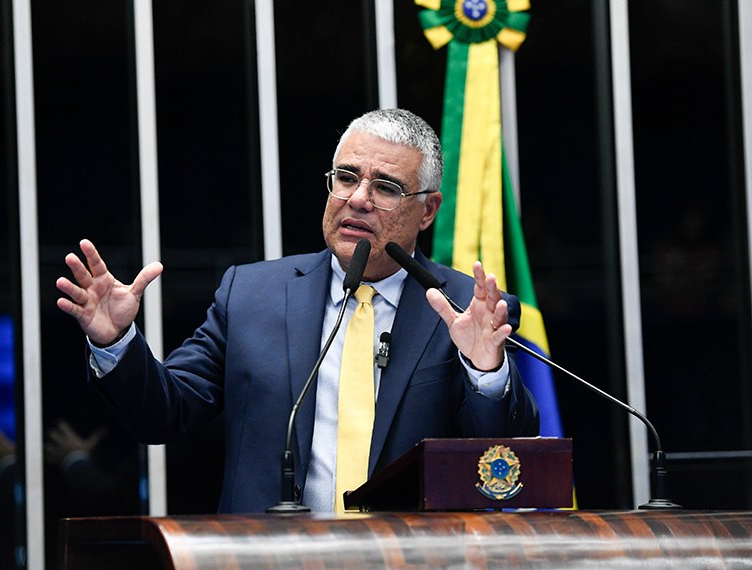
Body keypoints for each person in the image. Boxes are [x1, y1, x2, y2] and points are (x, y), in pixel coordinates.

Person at [56, 108, 539, 513]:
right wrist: (115, 341)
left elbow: (502, 461)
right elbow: (162, 413)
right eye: (346, 178)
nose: (357, 199)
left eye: (386, 188)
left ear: (428, 211)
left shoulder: (464, 308)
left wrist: (486, 371)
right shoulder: (252, 295)